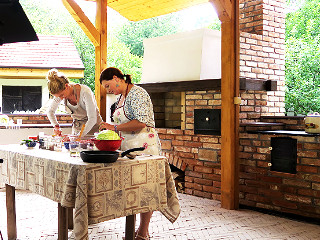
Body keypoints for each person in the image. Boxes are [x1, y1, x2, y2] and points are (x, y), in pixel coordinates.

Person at [99, 67, 161, 240]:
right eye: (106, 87)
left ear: (116, 78)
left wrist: (114, 127)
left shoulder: (137, 93)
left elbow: (141, 121)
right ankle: (134, 229)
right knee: (133, 190)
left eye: (108, 85)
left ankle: (143, 231)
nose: (108, 90)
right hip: (129, 148)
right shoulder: (120, 98)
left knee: (146, 189)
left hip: (144, 147)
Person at [46, 68, 102, 137]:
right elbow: (50, 111)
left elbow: (92, 119)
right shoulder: (60, 94)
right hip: (77, 130)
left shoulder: (85, 92)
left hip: (94, 131)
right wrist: (56, 126)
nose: (60, 98)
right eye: (58, 96)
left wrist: (78, 137)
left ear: (66, 86)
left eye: (61, 95)